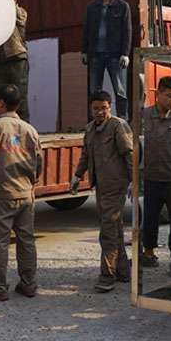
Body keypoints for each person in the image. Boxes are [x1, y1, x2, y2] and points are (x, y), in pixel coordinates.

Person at [0, 85, 43, 301]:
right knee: (26, 240)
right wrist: (32, 184)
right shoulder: (29, 130)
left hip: (1, 195)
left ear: (2, 103)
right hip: (25, 193)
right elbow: (38, 160)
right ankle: (28, 284)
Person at [70, 90, 134, 292]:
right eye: (96, 108)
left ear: (110, 107)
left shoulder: (118, 126)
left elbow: (129, 154)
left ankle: (107, 276)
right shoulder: (90, 129)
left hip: (116, 186)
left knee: (107, 231)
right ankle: (123, 271)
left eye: (104, 108)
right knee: (114, 227)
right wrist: (77, 176)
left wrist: (134, 181)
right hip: (101, 186)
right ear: (91, 109)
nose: (100, 112)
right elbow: (85, 155)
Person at [141, 77, 171, 277]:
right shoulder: (144, 115)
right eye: (169, 95)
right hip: (151, 177)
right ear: (158, 94)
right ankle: (148, 254)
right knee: (149, 218)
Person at [81, 0, 132, 121]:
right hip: (96, 54)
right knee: (94, 92)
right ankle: (94, 122)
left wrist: (125, 53)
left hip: (115, 54)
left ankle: (122, 121)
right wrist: (84, 51)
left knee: (120, 91)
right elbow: (86, 30)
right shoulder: (92, 7)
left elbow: (127, 31)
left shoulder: (122, 6)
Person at [0, 0, 30, 121]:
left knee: (19, 96)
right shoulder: (0, 15)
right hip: (3, 60)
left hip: (17, 58)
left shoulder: (20, 12)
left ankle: (22, 126)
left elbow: (16, 13)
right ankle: (2, 124)